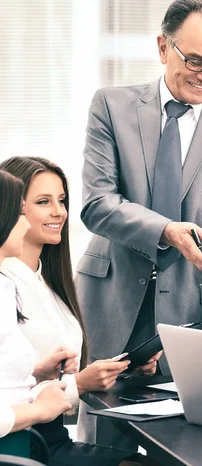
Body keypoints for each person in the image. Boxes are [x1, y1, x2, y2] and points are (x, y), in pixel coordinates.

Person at [77, 0, 202, 374]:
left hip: (193, 323)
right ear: (163, 48)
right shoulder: (111, 106)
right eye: (195, 61)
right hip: (110, 309)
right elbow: (97, 204)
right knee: (100, 433)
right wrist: (166, 231)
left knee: (187, 432)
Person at [0, 157, 159, 465]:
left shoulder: (46, 282)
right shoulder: (7, 283)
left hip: (41, 435)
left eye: (62, 200)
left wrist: (120, 369)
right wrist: (79, 384)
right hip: (27, 440)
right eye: (42, 202)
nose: (59, 211)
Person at [0, 169, 72, 440]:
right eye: (20, 213)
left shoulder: (5, 287)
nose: (25, 224)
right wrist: (40, 410)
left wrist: (36, 372)